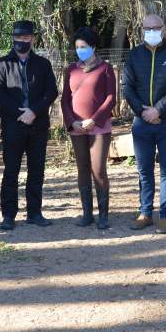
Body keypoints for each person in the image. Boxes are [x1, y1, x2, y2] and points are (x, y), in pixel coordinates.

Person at [0, 20, 59, 231]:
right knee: (11, 170)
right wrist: (19, 113)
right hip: (13, 125)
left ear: (32, 39)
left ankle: (34, 212)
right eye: (18, 38)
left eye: (26, 38)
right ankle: (8, 214)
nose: (22, 41)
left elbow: (51, 92)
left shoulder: (43, 64)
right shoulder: (2, 64)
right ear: (13, 38)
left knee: (36, 170)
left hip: (38, 125)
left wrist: (34, 111)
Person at [122, 14, 166, 234]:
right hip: (141, 123)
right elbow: (127, 88)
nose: (151, 31)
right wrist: (143, 111)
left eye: (156, 27)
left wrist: (158, 109)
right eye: (147, 28)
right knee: (144, 171)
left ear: (164, 29)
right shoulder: (134, 55)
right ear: (142, 30)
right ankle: (145, 212)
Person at [61, 27, 116, 230]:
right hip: (76, 127)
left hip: (99, 127)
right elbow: (65, 99)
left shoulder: (106, 69)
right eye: (77, 47)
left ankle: (103, 215)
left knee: (98, 169)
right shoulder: (71, 70)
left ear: (93, 47)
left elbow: (111, 98)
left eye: (83, 47)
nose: (80, 50)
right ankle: (87, 214)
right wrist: (71, 121)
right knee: (82, 168)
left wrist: (94, 119)